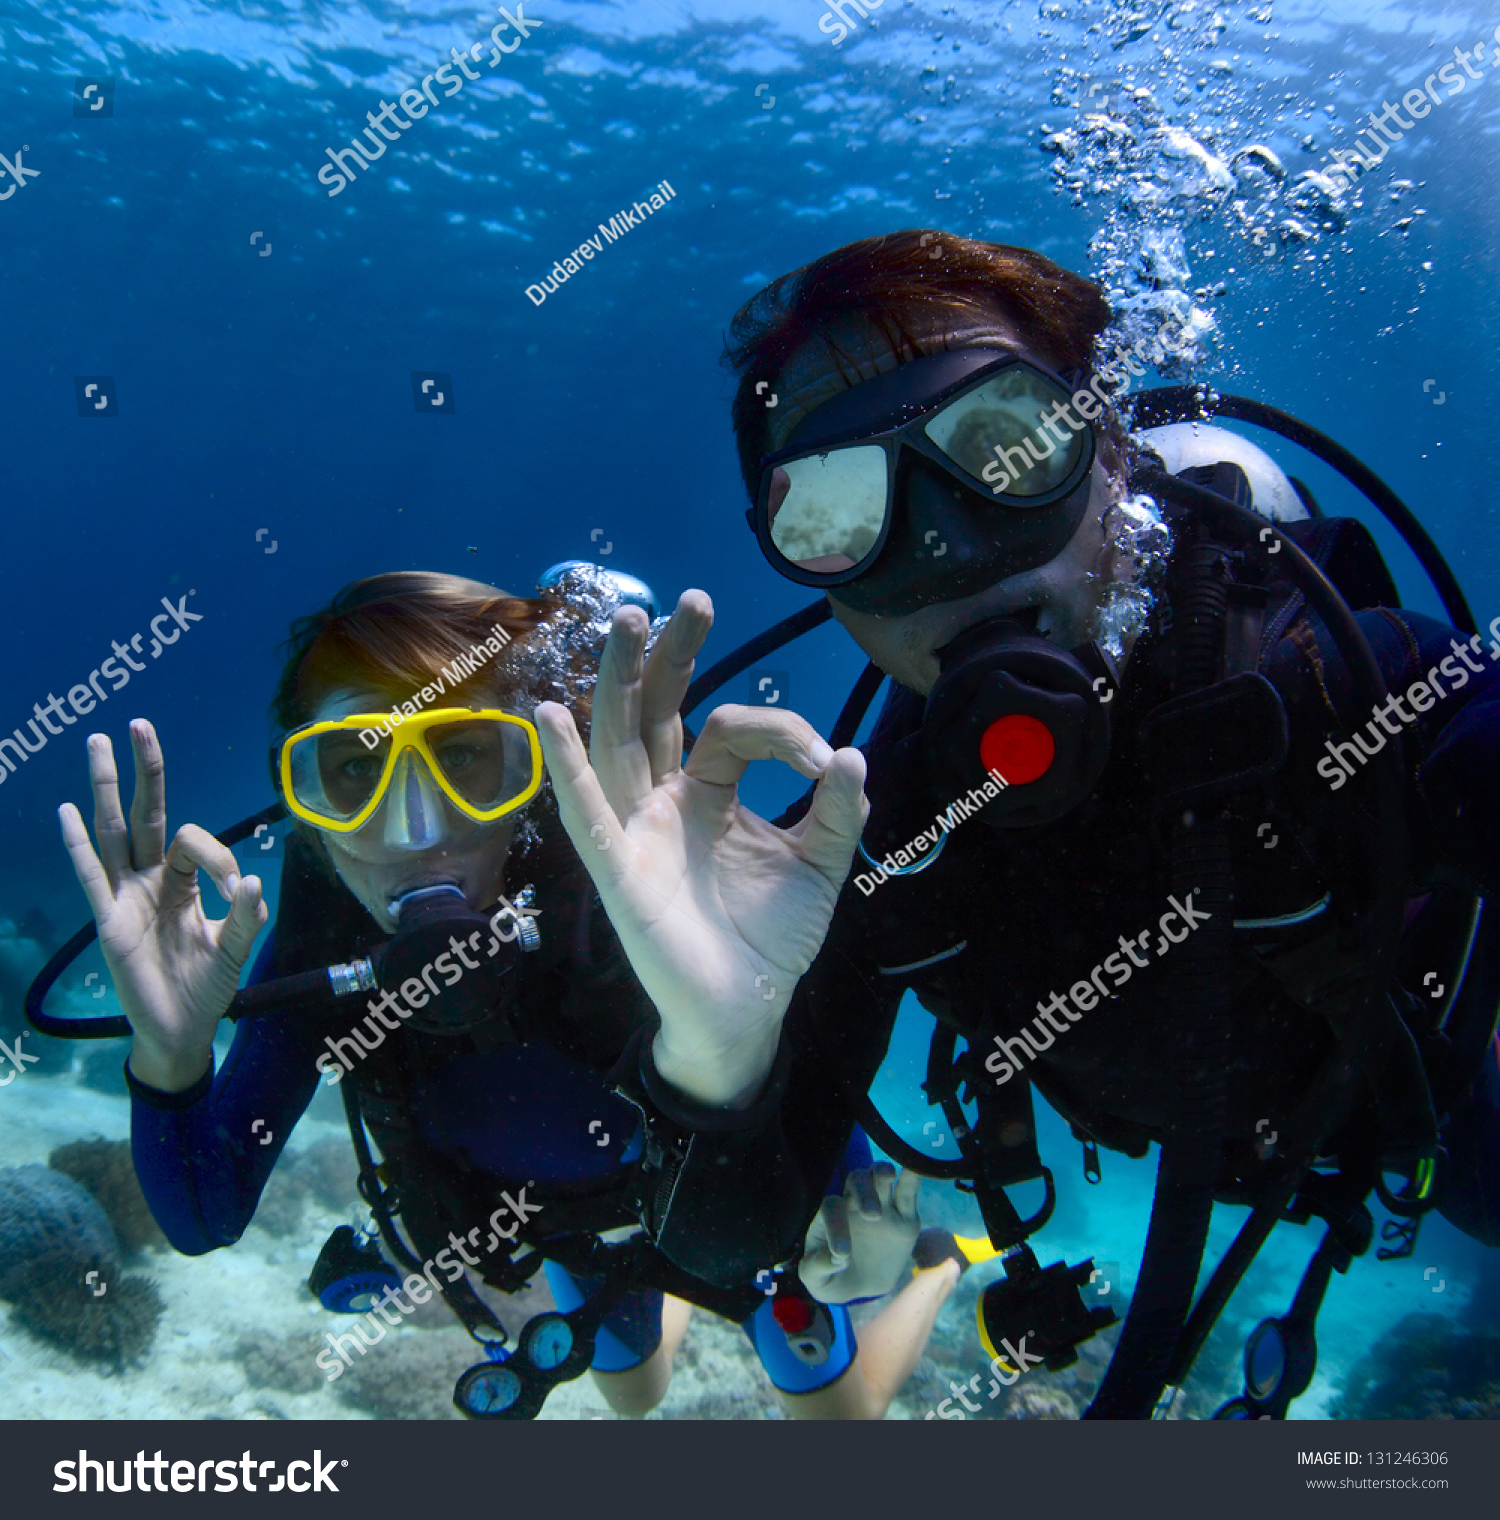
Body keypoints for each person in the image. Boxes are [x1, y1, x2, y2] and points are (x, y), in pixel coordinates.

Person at [535, 230, 1500, 1419]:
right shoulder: (866, 837)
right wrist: (715, 1051)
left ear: (1110, 458)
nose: (946, 547)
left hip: (1446, 1105)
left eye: (1005, 446)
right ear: (811, 571)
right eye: (840, 506)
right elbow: (732, 1252)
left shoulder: (1333, 683)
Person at [56, 569, 959, 1419]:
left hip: (723, 1195)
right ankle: (656, 1290)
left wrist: (864, 1259)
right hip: (568, 1231)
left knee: (839, 1417)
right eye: (356, 770)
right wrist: (171, 1059)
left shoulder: (630, 887)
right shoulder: (322, 925)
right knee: (633, 1397)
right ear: (307, 803)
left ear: (531, 773)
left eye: (466, 757)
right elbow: (203, 1213)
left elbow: (778, 1081)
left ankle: (940, 1271)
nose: (414, 829)